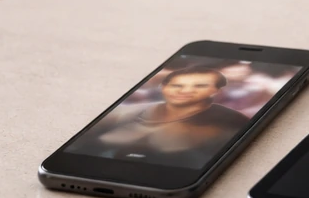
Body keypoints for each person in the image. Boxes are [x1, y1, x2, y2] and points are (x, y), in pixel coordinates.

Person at [76, 66, 250, 169]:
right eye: (176, 85)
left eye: (200, 85)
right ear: (164, 88)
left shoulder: (231, 121)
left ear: (215, 91)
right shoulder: (124, 113)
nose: (185, 91)